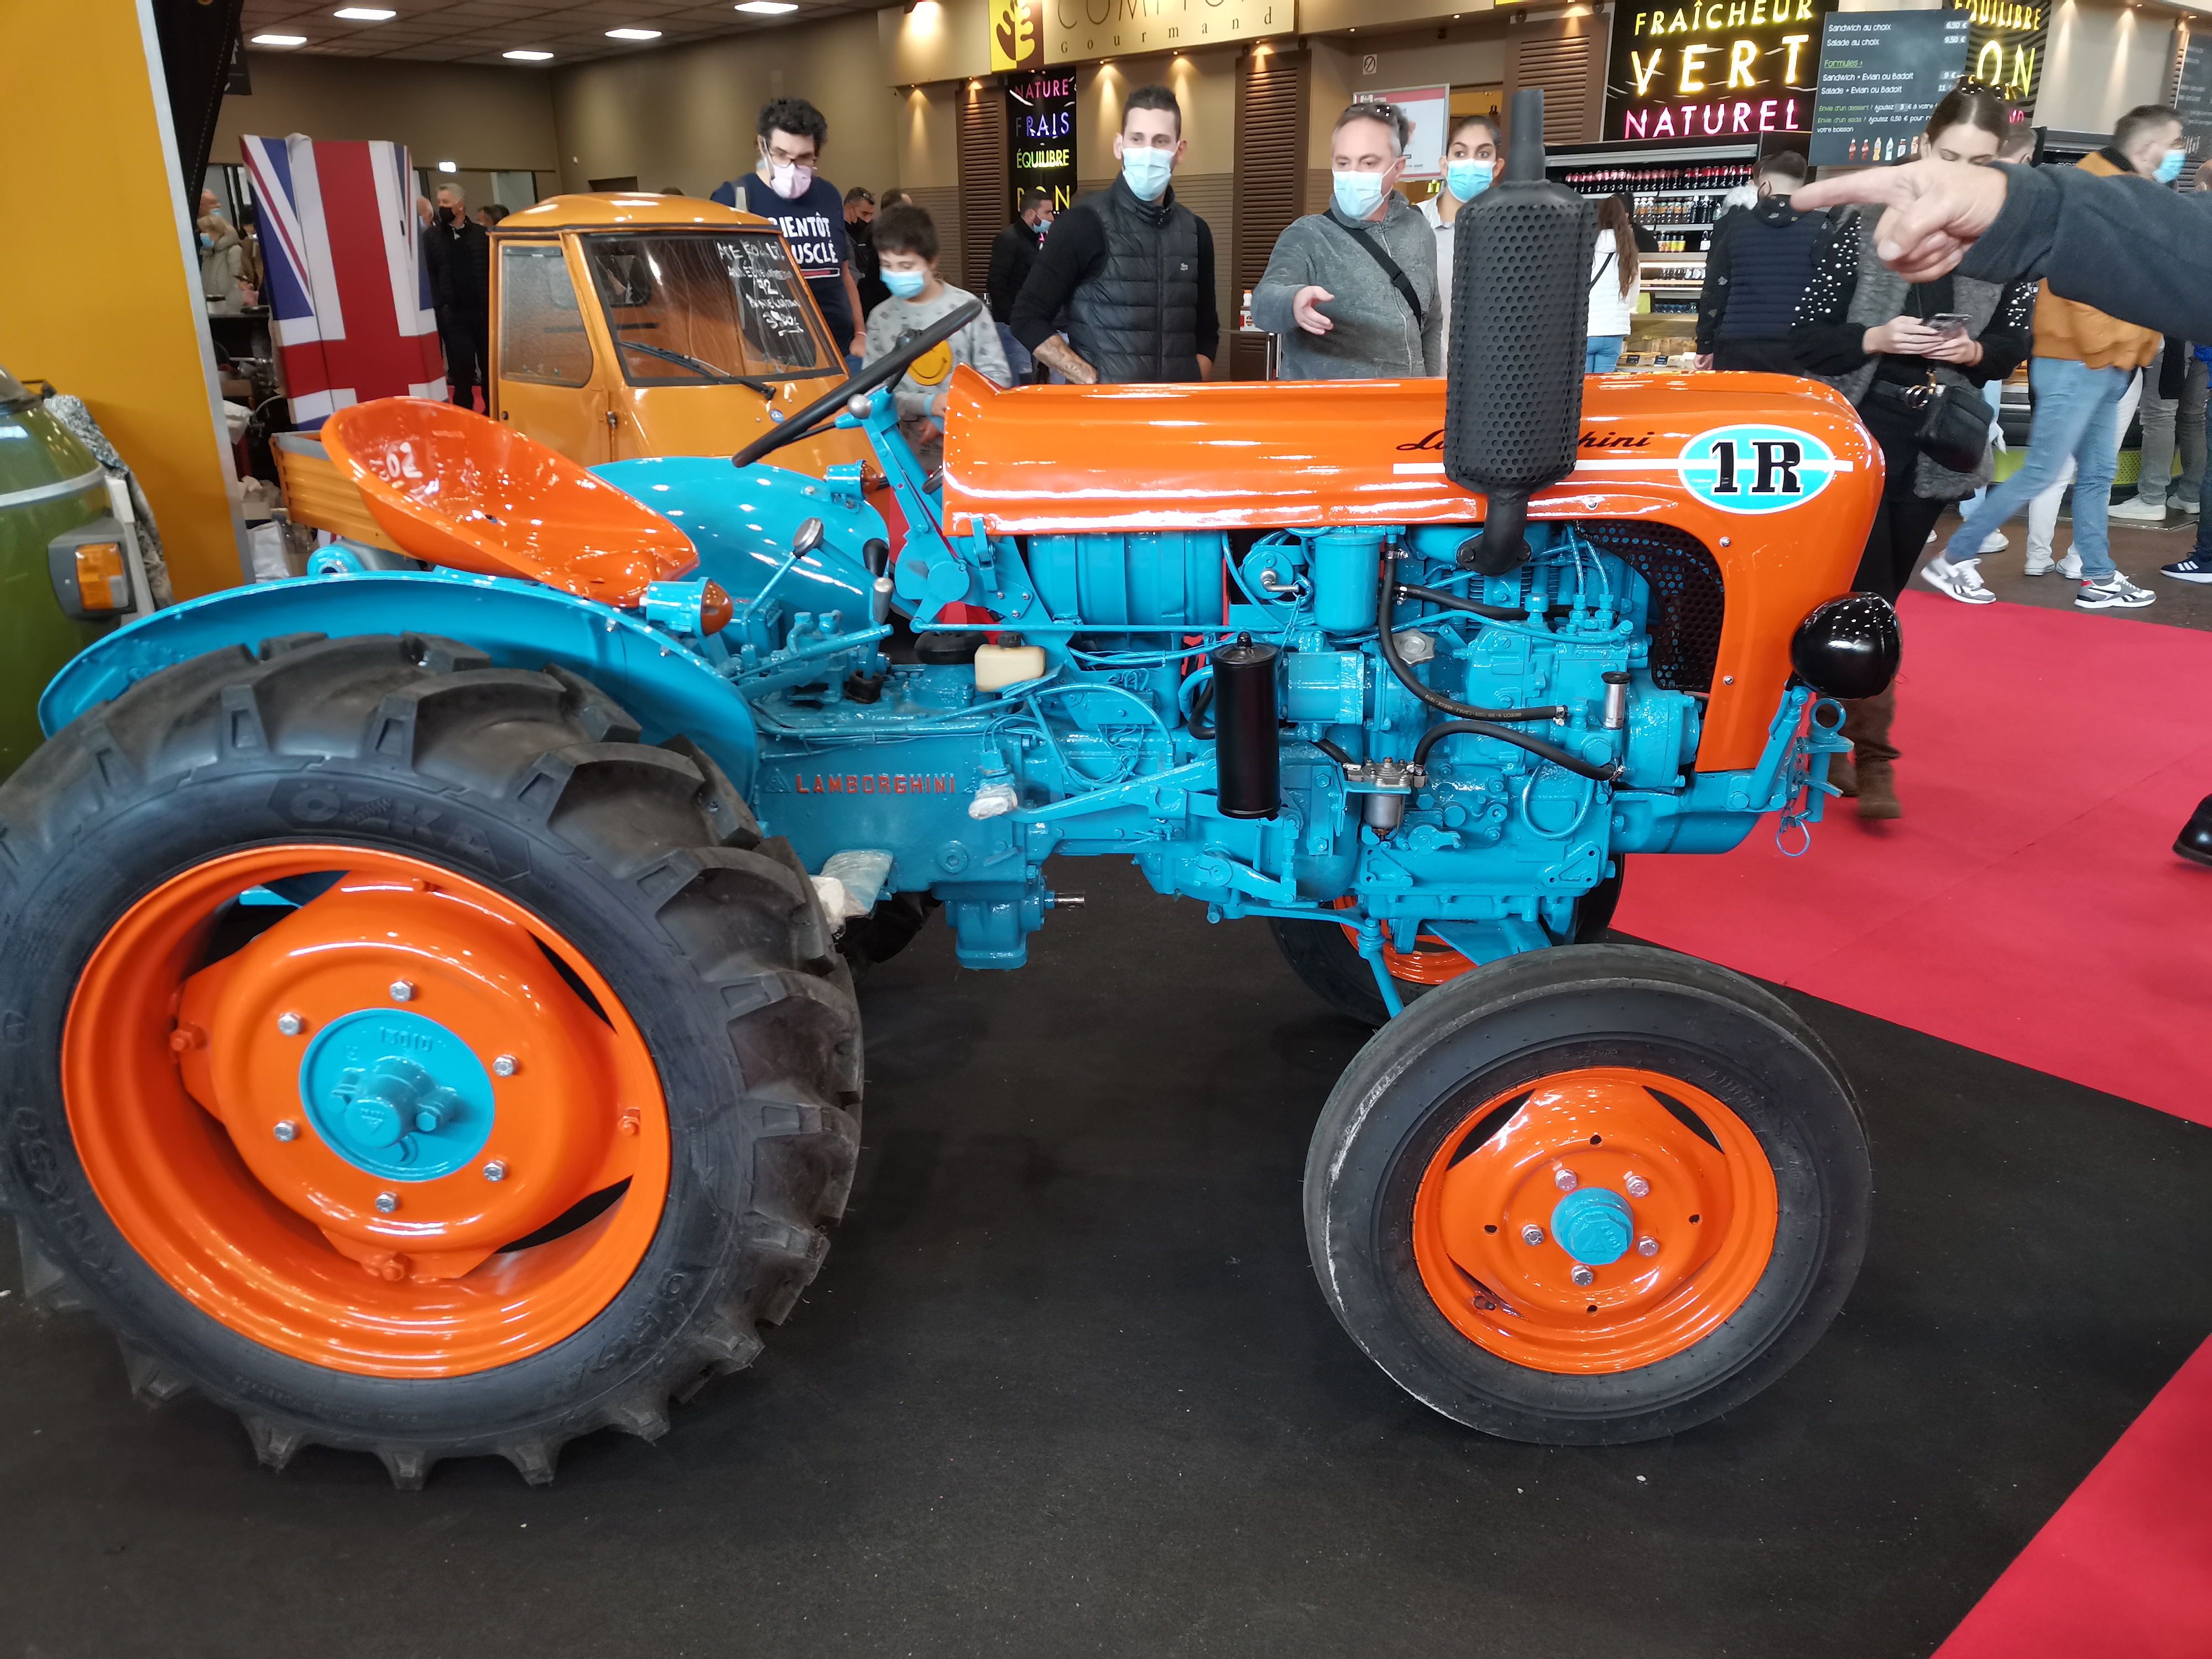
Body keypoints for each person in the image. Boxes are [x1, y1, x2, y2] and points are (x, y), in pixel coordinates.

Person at [1788, 85, 2036, 820]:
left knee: (1882, 600)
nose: (1961, 174)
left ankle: (1834, 743)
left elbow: (2012, 346)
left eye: (1980, 163)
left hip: (1935, 444)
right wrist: (1875, 336)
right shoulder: (1862, 223)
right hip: (1850, 437)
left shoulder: (2008, 244)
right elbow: (1806, 338)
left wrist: (1974, 351)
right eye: (1950, 156)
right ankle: (1864, 756)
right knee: (1857, 597)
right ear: (1925, 146)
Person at [1925, 104, 2183, 611]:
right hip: (2079, 361)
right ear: (2149, 146)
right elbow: (2077, 287)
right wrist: (2116, 350)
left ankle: (2099, 576)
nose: (2179, 153)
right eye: (2174, 142)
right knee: (2043, 470)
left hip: (2103, 364)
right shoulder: (2095, 194)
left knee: (2095, 475)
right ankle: (1954, 557)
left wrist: (2128, 353)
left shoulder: (2123, 191)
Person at [1008, 85, 1219, 384]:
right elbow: (1027, 317)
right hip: (1104, 409)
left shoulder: (1196, 232)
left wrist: (1193, 379)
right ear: (1119, 145)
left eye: (1160, 141)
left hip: (1175, 409)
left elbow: (1207, 331)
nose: (1148, 152)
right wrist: (1090, 380)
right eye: (1137, 139)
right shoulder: (1082, 224)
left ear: (1179, 150)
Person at [1252, 101, 1441, 380]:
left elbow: (1431, 321)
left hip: (1405, 404)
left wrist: (1430, 389)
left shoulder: (1419, 230)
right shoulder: (1308, 234)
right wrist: (1293, 302)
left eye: (1369, 162)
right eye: (1343, 163)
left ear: (1398, 168)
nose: (1353, 173)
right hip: (1325, 405)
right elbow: (1262, 304)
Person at [712, 98, 867, 370]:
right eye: (781, 155)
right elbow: (714, 289)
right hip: (773, 361)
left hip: (840, 352)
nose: (792, 167)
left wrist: (860, 333)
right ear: (763, 146)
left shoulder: (829, 195)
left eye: (804, 158)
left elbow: (842, 272)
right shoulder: (732, 199)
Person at [863, 205, 1011, 476]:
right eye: (887, 265)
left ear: (932, 261)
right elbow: (873, 393)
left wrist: (949, 415)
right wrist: (927, 405)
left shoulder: (967, 309)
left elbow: (996, 376)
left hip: (968, 450)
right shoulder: (880, 318)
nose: (896, 274)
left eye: (906, 266)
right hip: (904, 456)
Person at [1694, 151, 1824, 374]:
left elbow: (1715, 288)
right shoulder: (1823, 226)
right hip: (1799, 346)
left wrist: (1705, 344)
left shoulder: (1737, 226)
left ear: (1765, 185)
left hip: (1737, 343)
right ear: (1802, 184)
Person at [1417, 112, 1499, 337]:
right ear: (1445, 165)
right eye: (1460, 153)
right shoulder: (1414, 222)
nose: (1471, 162)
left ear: (1496, 167)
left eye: (1483, 154)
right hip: (1426, 358)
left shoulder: (1510, 232)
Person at [424, 182, 491, 409]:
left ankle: (492, 414)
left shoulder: (482, 235)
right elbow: (431, 275)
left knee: (489, 369)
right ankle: (464, 415)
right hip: (453, 316)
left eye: (446, 202)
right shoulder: (432, 238)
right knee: (461, 371)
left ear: (460, 205)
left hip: (483, 314)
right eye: (439, 202)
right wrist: (441, 307)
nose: (441, 206)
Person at [985, 187, 1054, 382]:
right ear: (1032, 214)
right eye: (1047, 213)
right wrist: (1013, 318)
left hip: (1029, 324)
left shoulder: (1034, 241)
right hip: (1013, 327)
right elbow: (996, 282)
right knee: (1020, 380)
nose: (1052, 218)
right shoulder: (1009, 240)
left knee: (1030, 377)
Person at [1585, 195, 1640, 373]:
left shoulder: (1585, 249)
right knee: (1603, 385)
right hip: (1613, 332)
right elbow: (1632, 300)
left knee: (1582, 386)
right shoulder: (1629, 253)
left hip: (1586, 329)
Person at [196, 189, 243, 311]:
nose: (203, 235)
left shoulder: (233, 251)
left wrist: (229, 314)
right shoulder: (207, 253)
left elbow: (237, 288)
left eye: (206, 232)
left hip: (228, 314)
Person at [845, 186, 887, 320]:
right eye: (864, 214)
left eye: (871, 215)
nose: (868, 220)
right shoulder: (837, 236)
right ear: (849, 209)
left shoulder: (875, 234)